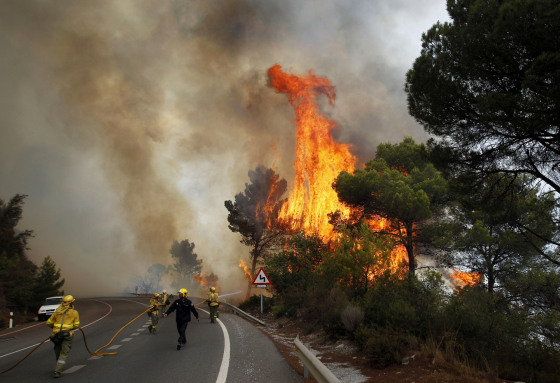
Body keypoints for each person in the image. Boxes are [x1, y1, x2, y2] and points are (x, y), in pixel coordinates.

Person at [46, 295, 80, 379]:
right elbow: (76, 325)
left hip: (56, 335)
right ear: (71, 303)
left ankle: (59, 365)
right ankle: (57, 371)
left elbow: (48, 322)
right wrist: (68, 328)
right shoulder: (74, 312)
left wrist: (55, 328)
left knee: (58, 350)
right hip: (67, 335)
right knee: (64, 353)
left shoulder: (57, 311)